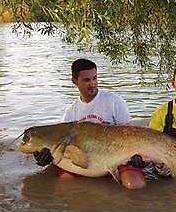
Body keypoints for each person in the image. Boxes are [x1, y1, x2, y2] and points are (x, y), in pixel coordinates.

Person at [33, 58, 146, 189]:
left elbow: (131, 134)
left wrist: (137, 156)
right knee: (65, 185)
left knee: (135, 185)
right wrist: (44, 157)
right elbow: (63, 149)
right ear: (75, 81)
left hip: (118, 156)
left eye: (95, 78)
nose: (93, 84)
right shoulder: (71, 112)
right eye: (87, 80)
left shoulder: (114, 101)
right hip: (86, 159)